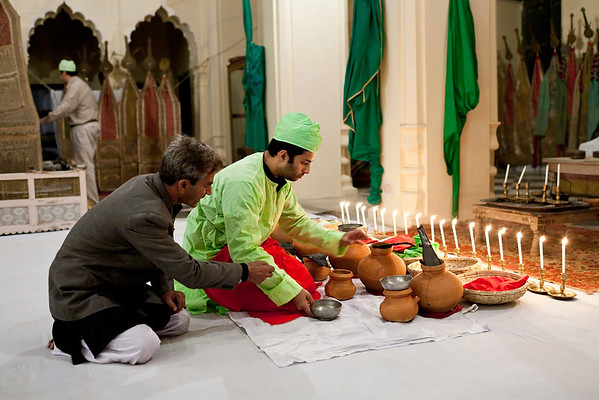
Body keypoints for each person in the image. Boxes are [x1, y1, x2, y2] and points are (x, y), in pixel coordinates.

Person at [47, 135, 274, 365]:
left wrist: (165, 289)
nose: (209, 192)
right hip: (81, 292)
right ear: (184, 184)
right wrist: (244, 272)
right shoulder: (146, 212)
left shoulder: (155, 188)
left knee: (179, 320)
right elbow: (190, 272)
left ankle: (105, 332)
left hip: (114, 282)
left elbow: (160, 249)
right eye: (207, 184)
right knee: (144, 345)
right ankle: (71, 339)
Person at [178, 112, 368, 317]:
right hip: (217, 256)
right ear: (283, 155)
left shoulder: (279, 178)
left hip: (248, 245)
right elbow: (242, 250)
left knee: (303, 281)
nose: (308, 170)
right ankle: (214, 292)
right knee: (289, 298)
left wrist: (338, 239)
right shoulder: (244, 183)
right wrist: (291, 293)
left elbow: (296, 222)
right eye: (305, 162)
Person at [40, 59, 100, 206]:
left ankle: (92, 202)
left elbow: (66, 107)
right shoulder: (77, 84)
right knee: (83, 164)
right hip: (86, 126)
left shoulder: (76, 85)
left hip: (83, 127)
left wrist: (44, 120)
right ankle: (89, 200)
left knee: (84, 165)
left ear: (64, 73)